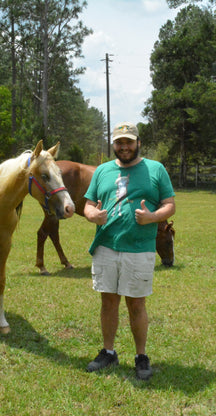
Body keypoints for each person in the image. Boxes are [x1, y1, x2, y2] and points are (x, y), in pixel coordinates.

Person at [83, 121, 175, 380]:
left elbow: (170, 204)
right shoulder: (102, 171)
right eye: (119, 142)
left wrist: (153, 216)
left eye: (129, 141)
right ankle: (109, 352)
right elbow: (88, 205)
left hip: (139, 249)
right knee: (108, 302)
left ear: (138, 143)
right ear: (113, 144)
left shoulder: (155, 169)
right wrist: (93, 216)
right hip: (106, 246)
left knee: (136, 304)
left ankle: (141, 356)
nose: (124, 146)